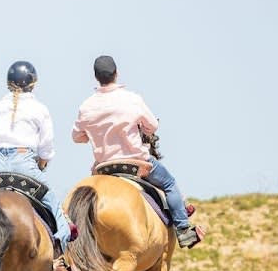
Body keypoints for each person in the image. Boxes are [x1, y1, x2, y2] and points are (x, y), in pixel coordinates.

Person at [71, 55, 203, 248]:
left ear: (95, 77)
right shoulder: (132, 99)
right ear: (116, 73)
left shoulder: (86, 106)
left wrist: (94, 133)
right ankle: (184, 230)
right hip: (137, 163)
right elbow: (152, 126)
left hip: (104, 168)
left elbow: (77, 137)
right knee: (169, 184)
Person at [0, 60, 72, 258]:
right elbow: (46, 147)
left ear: (8, 83)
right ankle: (62, 255)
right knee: (54, 204)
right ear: (33, 84)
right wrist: (43, 161)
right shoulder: (40, 109)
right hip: (24, 164)